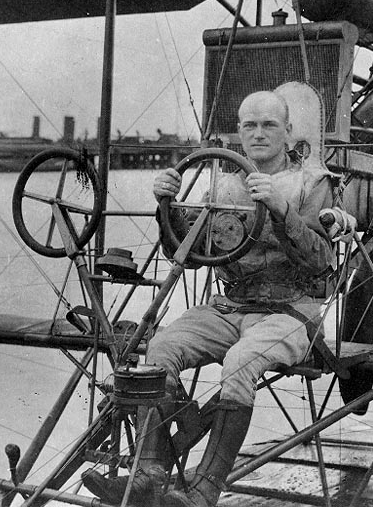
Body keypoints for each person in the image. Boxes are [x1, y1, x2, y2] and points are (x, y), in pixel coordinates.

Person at [83, 90, 336, 507]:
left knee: (241, 362)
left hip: (292, 310)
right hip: (231, 306)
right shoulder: (226, 184)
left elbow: (322, 263)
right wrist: (167, 205)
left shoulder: (313, 183)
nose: (258, 134)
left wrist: (278, 207)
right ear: (238, 131)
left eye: (269, 125)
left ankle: (204, 491)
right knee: (160, 349)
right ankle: (148, 472)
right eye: (249, 125)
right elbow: (189, 251)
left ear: (289, 132)